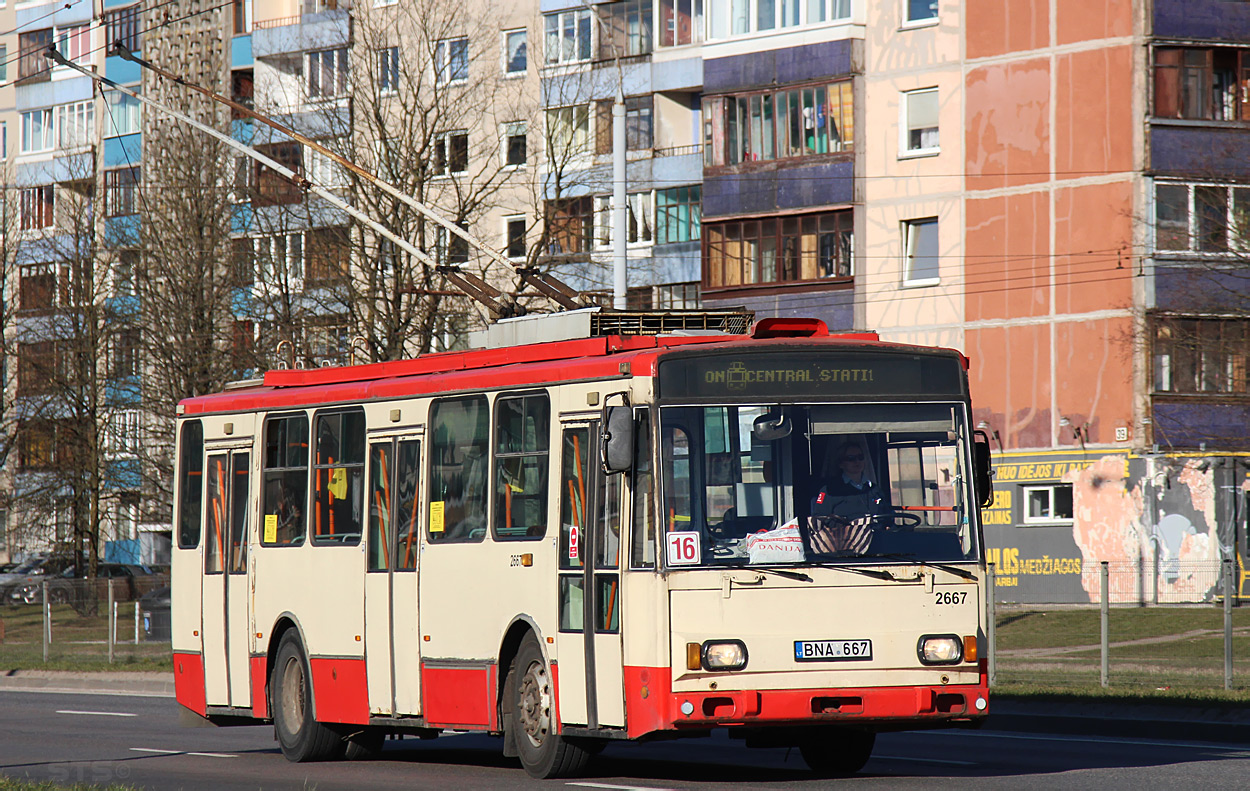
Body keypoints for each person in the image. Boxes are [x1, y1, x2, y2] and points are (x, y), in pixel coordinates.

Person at [811, 440, 883, 519]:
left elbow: (887, 514)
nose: (857, 461)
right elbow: (819, 518)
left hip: (876, 530)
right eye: (851, 458)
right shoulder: (829, 490)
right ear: (841, 463)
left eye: (860, 457)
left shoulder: (874, 489)